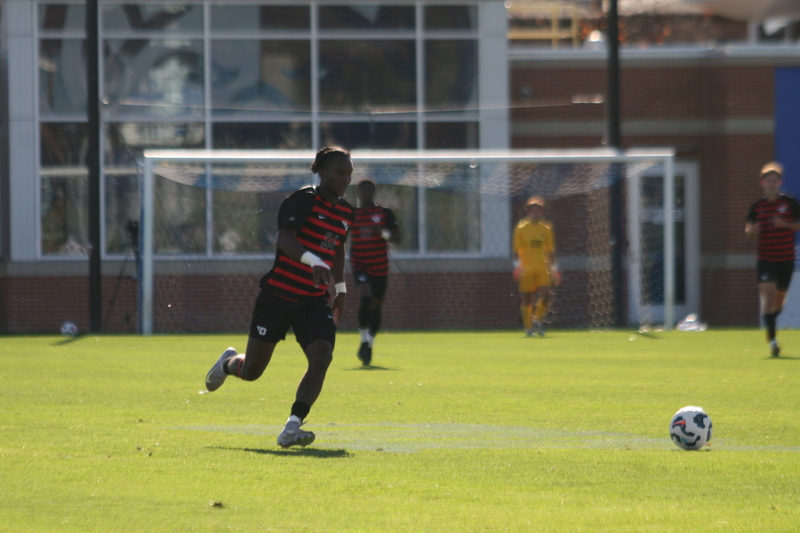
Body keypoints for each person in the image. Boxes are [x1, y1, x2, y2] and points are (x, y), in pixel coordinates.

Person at [204, 147, 355, 447]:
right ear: (321, 172)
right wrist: (314, 262)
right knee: (252, 372)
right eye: (339, 172)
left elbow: (337, 249)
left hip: (312, 301)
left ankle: (292, 426)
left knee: (322, 355)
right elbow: (284, 239)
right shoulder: (302, 200)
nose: (345, 179)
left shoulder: (346, 212)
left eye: (349, 173)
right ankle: (228, 363)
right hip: (278, 295)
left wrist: (340, 290)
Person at [745, 162, 800, 357]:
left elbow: (798, 225)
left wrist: (783, 224)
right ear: (762, 183)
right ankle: (773, 341)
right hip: (766, 259)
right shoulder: (757, 207)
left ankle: (771, 322)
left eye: (774, 181)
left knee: (778, 302)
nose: (771, 184)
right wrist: (752, 231)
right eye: (768, 181)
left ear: (779, 183)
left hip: (785, 260)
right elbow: (749, 230)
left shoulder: (790, 203)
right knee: (767, 298)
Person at [349, 179, 401, 365]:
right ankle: (363, 338)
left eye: (369, 190)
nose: (366, 193)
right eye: (362, 190)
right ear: (358, 193)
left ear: (374, 192)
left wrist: (383, 234)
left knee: (376, 306)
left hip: (379, 266)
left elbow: (397, 238)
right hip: (359, 264)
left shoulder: (384, 213)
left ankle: (368, 343)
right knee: (365, 297)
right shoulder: (351, 214)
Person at [512, 196, 559, 337]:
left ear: (541, 212)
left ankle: (537, 320)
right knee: (527, 298)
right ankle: (528, 327)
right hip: (527, 268)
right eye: (532, 211)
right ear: (528, 212)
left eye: (537, 211)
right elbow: (516, 251)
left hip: (542, 267)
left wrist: (554, 270)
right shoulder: (521, 228)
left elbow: (550, 251)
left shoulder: (546, 229)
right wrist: (517, 268)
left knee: (545, 294)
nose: (535, 213)